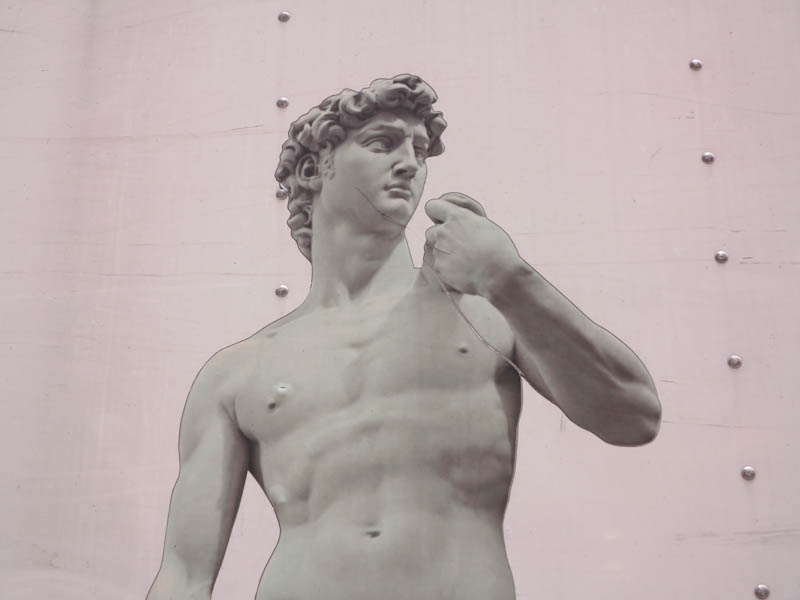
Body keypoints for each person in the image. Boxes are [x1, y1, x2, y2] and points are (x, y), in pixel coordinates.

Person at [147, 74, 661, 600]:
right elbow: (184, 574)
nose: (411, 164)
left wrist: (510, 279)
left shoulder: (483, 311)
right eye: (382, 143)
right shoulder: (238, 372)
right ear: (312, 169)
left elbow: (634, 416)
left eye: (419, 150)